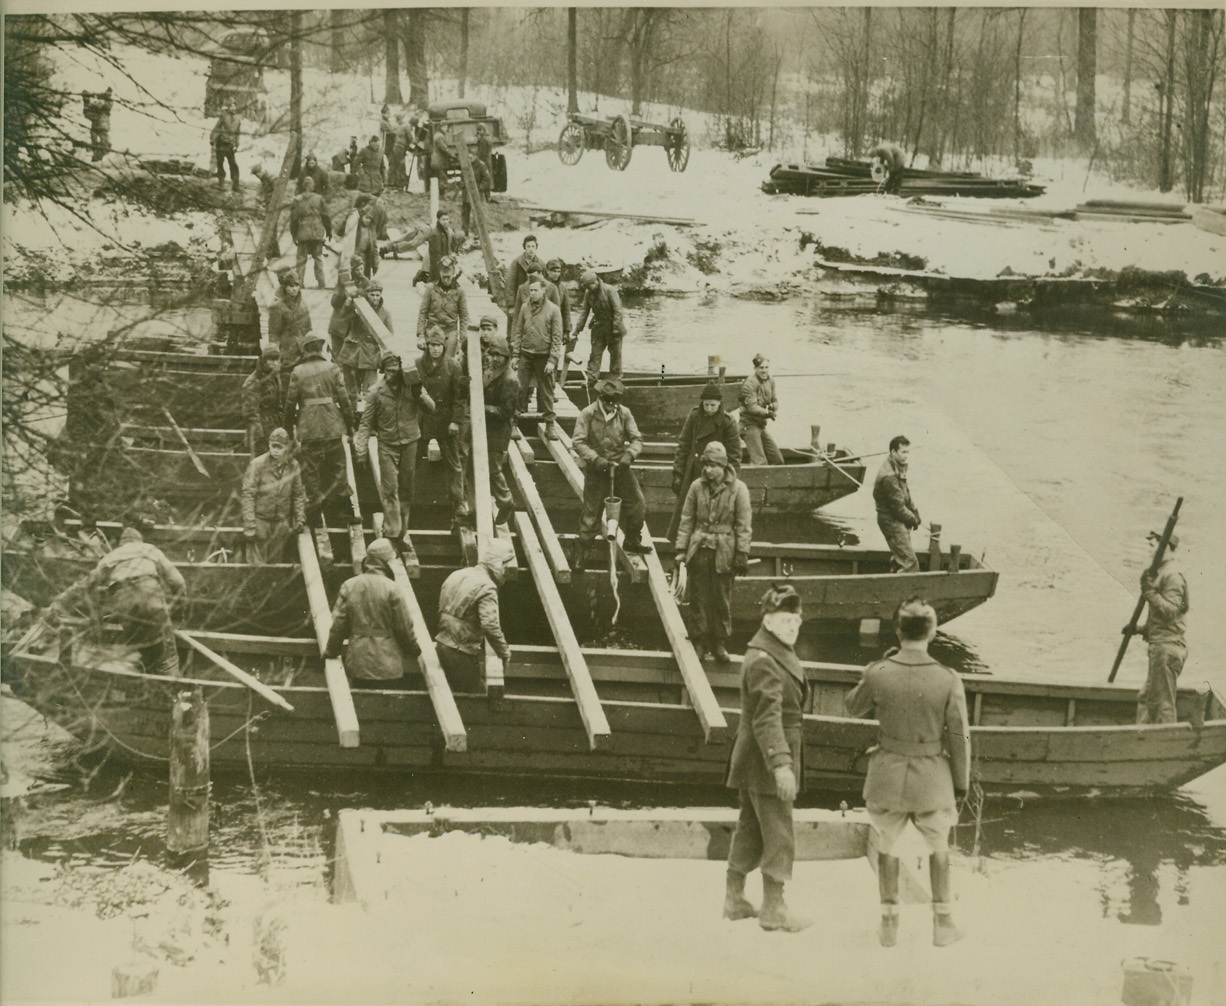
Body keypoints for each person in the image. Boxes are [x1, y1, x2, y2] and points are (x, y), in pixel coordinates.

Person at [845, 597, 970, 948]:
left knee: (887, 843)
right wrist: (959, 784)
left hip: (887, 773)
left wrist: (871, 671)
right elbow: (959, 738)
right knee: (938, 845)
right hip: (933, 778)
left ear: (898, 631)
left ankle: (888, 925)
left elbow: (853, 708)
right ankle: (943, 923)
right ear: (932, 632)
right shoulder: (948, 679)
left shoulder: (879, 671)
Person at [724, 583, 811, 933]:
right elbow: (766, 718)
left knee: (751, 828)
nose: (793, 626)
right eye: (785, 620)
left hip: (754, 758)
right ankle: (774, 909)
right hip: (766, 760)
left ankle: (734, 899)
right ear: (768, 621)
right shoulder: (765, 661)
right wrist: (782, 765)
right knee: (778, 833)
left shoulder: (769, 651)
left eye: (797, 619)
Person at [47, 527, 186, 676]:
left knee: (141, 647)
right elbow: (179, 583)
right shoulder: (150, 549)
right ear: (139, 541)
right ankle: (172, 692)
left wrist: (59, 603)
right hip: (151, 599)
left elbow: (85, 585)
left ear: (121, 544)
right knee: (167, 657)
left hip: (124, 606)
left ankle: (147, 686)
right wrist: (178, 613)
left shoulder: (111, 556)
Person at [673, 441, 752, 663]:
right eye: (705, 465)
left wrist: (741, 554)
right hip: (699, 549)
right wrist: (681, 550)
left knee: (721, 599)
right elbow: (687, 520)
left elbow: (744, 525)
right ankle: (699, 642)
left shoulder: (739, 489)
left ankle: (719, 643)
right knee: (699, 597)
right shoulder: (696, 487)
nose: (707, 470)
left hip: (724, 552)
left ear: (723, 466)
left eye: (713, 465)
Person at [354, 352, 435, 560]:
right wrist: (361, 449)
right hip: (387, 444)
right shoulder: (375, 393)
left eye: (394, 371)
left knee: (407, 489)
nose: (392, 375)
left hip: (409, 442)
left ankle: (402, 533)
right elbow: (365, 423)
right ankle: (392, 535)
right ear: (383, 371)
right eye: (388, 371)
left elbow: (431, 408)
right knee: (390, 489)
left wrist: (419, 393)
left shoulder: (412, 386)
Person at [283, 331, 355, 561]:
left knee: (311, 470)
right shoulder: (333, 368)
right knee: (338, 466)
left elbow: (290, 402)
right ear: (320, 348)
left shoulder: (297, 372)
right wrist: (350, 423)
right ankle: (344, 508)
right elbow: (344, 399)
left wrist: (288, 427)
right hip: (333, 425)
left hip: (309, 428)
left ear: (305, 349)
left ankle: (314, 512)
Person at [572, 376, 649, 568]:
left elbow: (637, 439)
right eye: (607, 402)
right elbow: (578, 442)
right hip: (597, 469)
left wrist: (629, 456)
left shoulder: (625, 413)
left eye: (614, 402)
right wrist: (595, 459)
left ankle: (632, 540)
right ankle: (582, 551)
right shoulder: (587, 414)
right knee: (591, 514)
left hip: (620, 468)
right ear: (601, 398)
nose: (610, 406)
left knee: (638, 505)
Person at [323, 537, 420, 688]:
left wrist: (330, 650)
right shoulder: (392, 588)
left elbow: (338, 625)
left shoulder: (349, 585)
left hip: (358, 662)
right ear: (387, 561)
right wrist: (413, 650)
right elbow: (403, 627)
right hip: (387, 663)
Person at [1125, 531, 1190, 725]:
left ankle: (1167, 745)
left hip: (1166, 649)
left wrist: (1149, 592)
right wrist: (1139, 629)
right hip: (1162, 645)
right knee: (1147, 698)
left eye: (1153, 546)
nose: (1149, 550)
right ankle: (1141, 741)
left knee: (1162, 704)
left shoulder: (1172, 576)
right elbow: (1165, 622)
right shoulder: (1162, 573)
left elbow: (1170, 611)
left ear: (1165, 548)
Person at [434, 539, 516, 693]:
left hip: (442, 645)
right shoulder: (487, 587)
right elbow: (490, 625)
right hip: (461, 652)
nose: (505, 571)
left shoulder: (457, 575)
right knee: (475, 701)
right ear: (498, 563)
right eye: (505, 566)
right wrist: (504, 652)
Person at [668, 383, 741, 541]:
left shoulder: (728, 423)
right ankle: (682, 546)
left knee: (712, 514)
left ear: (720, 404)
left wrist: (729, 481)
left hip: (716, 477)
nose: (709, 408)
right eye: (706, 404)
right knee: (687, 514)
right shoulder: (694, 416)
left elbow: (734, 456)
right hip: (693, 473)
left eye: (713, 405)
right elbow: (683, 445)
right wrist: (678, 473)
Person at [458, 332, 518, 526]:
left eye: (497, 356)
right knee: (471, 469)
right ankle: (474, 511)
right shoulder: (488, 370)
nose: (492, 359)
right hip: (480, 426)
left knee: (492, 468)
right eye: (491, 354)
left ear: (505, 358)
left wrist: (480, 407)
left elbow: (506, 412)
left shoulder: (510, 380)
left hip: (496, 432)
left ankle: (505, 501)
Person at [417, 327, 466, 521]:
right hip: (423, 419)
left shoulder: (454, 366)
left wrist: (455, 421)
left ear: (444, 347)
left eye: (438, 346)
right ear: (427, 346)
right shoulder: (418, 364)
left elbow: (460, 397)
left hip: (446, 420)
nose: (435, 349)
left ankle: (459, 501)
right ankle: (404, 499)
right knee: (411, 460)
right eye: (432, 345)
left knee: (454, 462)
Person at [240, 427, 306, 564]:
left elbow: (298, 494)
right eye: (273, 446)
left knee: (275, 568)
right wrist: (250, 526)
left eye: (279, 447)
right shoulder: (257, 465)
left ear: (286, 448)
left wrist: (300, 518)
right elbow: (248, 495)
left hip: (280, 526)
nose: (275, 450)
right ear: (269, 445)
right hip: (260, 523)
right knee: (256, 571)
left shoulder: (293, 466)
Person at [511, 275, 564, 441]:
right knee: (519, 388)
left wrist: (552, 360)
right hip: (526, 354)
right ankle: (514, 423)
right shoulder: (524, 308)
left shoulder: (554, 310)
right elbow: (518, 331)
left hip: (544, 357)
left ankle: (549, 425)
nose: (532, 293)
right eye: (530, 290)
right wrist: (515, 355)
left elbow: (557, 338)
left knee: (547, 391)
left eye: (535, 290)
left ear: (543, 291)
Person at [334, 276, 391, 403]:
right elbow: (341, 319)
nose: (375, 298)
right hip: (352, 353)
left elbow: (388, 338)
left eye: (378, 295)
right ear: (367, 294)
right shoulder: (357, 306)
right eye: (372, 295)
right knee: (350, 392)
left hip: (370, 356)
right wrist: (348, 304)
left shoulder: (385, 314)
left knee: (370, 393)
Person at [873, 435, 922, 574]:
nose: (906, 456)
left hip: (897, 520)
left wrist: (915, 512)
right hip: (890, 521)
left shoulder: (898, 467)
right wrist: (913, 519)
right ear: (893, 452)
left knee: (900, 559)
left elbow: (905, 494)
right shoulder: (889, 475)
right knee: (910, 564)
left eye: (908, 452)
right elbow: (898, 508)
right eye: (903, 452)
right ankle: (908, 595)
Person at [573, 270, 627, 388]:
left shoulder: (609, 290)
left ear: (596, 281)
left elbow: (618, 311)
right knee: (595, 354)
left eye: (590, 285)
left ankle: (615, 380)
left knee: (615, 356)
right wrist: (577, 330)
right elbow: (584, 312)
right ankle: (591, 379)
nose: (589, 288)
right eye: (587, 287)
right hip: (599, 327)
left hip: (613, 327)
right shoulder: (588, 293)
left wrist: (616, 329)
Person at [416, 255, 469, 359]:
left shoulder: (460, 292)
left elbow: (464, 317)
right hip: (432, 330)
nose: (446, 280)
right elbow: (423, 312)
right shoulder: (431, 289)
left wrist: (462, 340)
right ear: (440, 275)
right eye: (444, 277)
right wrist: (421, 336)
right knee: (430, 363)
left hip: (450, 332)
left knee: (448, 364)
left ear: (453, 275)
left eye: (448, 277)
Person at [739, 354, 783, 465]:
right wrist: (768, 413)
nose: (764, 371)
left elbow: (775, 400)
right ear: (755, 369)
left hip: (760, 425)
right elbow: (752, 408)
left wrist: (773, 406)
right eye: (761, 368)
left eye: (766, 367)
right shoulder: (749, 384)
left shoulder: (770, 380)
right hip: (748, 425)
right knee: (760, 462)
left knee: (778, 460)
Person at [241, 345, 284, 457]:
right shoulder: (253, 382)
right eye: (271, 360)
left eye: (277, 359)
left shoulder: (275, 377)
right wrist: (260, 437)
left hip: (274, 427)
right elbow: (251, 413)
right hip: (261, 431)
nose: (274, 363)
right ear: (264, 361)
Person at [289, 176, 332, 289]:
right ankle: (322, 283)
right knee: (318, 257)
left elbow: (293, 219)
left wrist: (294, 234)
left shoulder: (297, 199)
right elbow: (326, 216)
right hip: (317, 231)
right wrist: (329, 231)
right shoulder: (320, 199)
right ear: (313, 186)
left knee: (301, 259)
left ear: (303, 186)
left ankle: (299, 283)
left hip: (303, 232)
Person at [267, 269, 313, 369]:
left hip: (302, 350)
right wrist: (274, 355)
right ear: (285, 287)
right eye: (291, 286)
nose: (294, 289)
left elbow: (309, 329)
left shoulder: (303, 305)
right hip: (286, 351)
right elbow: (273, 333)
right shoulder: (277, 307)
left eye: (296, 286)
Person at [250, 164, 283, 257]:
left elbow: (278, 193)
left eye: (257, 175)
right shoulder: (264, 179)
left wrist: (272, 205)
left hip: (274, 207)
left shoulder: (272, 178)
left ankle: (272, 252)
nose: (257, 177)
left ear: (261, 171)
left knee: (271, 228)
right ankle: (275, 252)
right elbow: (266, 192)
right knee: (271, 228)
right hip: (270, 206)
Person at [211, 100, 242, 193]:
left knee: (233, 165)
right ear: (228, 107)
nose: (233, 108)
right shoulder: (223, 117)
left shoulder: (238, 119)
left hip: (230, 146)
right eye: (231, 106)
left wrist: (236, 144)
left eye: (234, 106)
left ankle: (235, 186)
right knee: (220, 164)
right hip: (221, 144)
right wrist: (212, 139)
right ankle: (221, 184)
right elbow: (216, 128)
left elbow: (238, 133)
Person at [505, 235, 541, 313]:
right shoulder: (516, 263)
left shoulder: (541, 264)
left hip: (535, 301)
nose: (531, 249)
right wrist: (511, 305)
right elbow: (510, 284)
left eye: (533, 246)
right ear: (524, 247)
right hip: (520, 300)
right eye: (528, 246)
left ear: (536, 247)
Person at [461, 157, 492, 237]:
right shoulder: (465, 164)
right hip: (466, 193)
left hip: (477, 193)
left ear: (475, 156)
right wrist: (462, 184)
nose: (470, 158)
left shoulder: (481, 165)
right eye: (468, 156)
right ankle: (465, 231)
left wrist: (480, 188)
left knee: (477, 212)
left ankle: (477, 232)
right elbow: (462, 177)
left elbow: (486, 179)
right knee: (465, 212)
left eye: (471, 157)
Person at [425, 209, 455, 285]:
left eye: (447, 219)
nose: (446, 221)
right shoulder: (435, 234)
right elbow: (435, 256)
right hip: (439, 267)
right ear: (438, 220)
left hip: (445, 264)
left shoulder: (447, 231)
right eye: (443, 219)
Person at [82, 87, 112, 162]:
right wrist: (87, 99)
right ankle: (96, 157)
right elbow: (86, 112)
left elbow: (106, 106)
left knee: (103, 143)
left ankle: (98, 157)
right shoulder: (96, 106)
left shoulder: (107, 103)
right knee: (94, 142)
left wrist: (92, 100)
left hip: (102, 125)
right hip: (96, 125)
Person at [428, 121, 455, 198]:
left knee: (438, 177)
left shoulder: (438, 135)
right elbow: (444, 148)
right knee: (443, 178)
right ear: (441, 127)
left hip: (436, 160)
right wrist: (452, 155)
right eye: (445, 127)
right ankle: (442, 195)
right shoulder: (439, 136)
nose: (446, 128)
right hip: (438, 161)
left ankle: (436, 194)